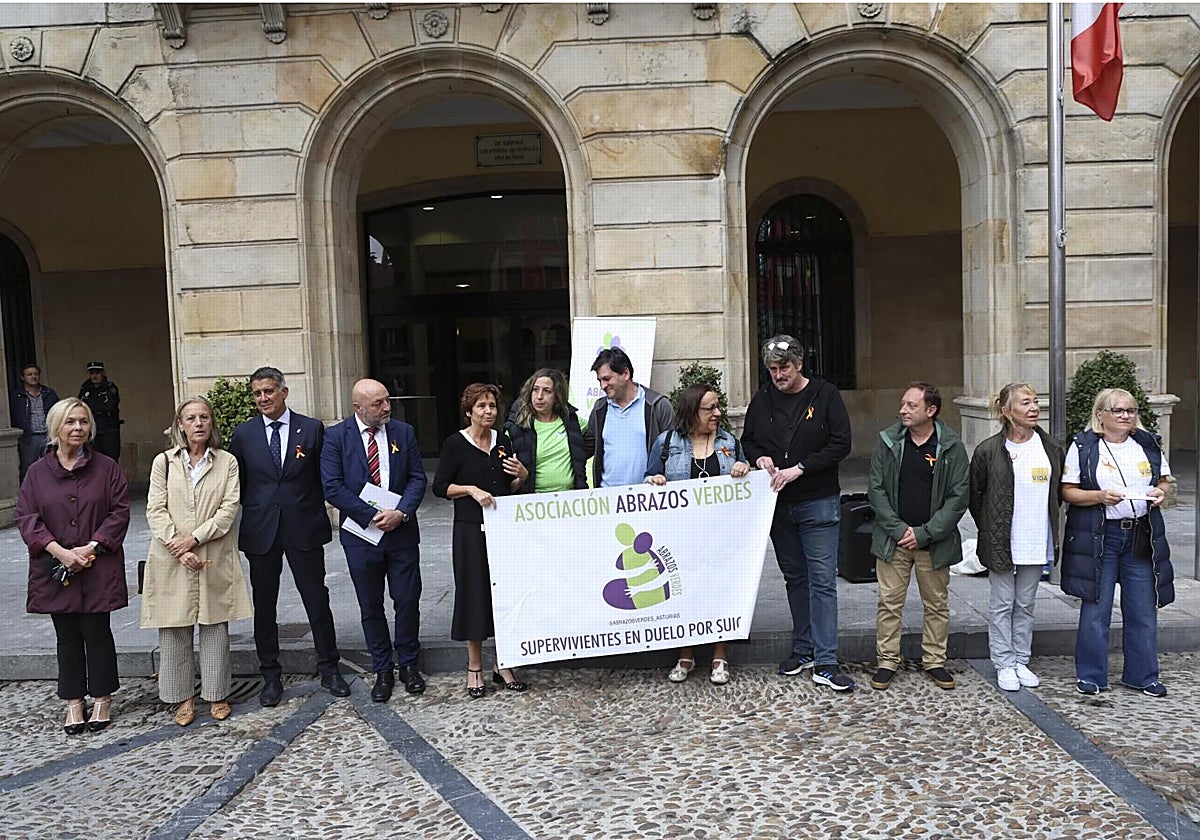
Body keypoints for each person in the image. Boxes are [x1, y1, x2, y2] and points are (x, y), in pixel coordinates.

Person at [228, 366, 349, 706]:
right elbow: (239, 486)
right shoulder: (244, 434)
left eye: (268, 391)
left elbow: (323, 478)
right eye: (257, 394)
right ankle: (270, 676)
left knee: (317, 600)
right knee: (264, 607)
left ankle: (330, 668)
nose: (263, 398)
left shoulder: (311, 429)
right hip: (262, 530)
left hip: (303, 527)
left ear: (284, 391)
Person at [741, 335, 854, 691]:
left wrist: (802, 467)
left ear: (799, 364)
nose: (778, 375)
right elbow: (749, 440)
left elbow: (841, 442)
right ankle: (803, 648)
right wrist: (758, 457)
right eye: (772, 369)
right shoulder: (763, 399)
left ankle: (826, 659)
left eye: (784, 367)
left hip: (817, 500)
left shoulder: (825, 395)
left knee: (822, 581)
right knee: (795, 578)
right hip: (778, 505)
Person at [16, 397, 130, 734]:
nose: (77, 428)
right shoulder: (37, 473)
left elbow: (119, 511)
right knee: (66, 636)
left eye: (83, 422)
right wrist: (60, 553)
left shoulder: (107, 467)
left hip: (97, 564)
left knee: (97, 632)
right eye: (70, 422)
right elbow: (26, 516)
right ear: (56, 427)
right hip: (55, 568)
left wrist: (90, 548)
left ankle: (102, 698)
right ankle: (73, 702)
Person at [140, 397, 250, 726]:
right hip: (171, 555)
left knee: (215, 627)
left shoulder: (227, 462)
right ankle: (182, 698)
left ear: (212, 423)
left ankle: (217, 695)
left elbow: (229, 509)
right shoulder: (164, 462)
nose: (198, 423)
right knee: (174, 627)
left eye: (204, 417)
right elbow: (154, 508)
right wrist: (179, 546)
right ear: (180, 425)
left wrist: (196, 539)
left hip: (212, 551)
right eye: (191, 418)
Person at [1062, 388, 1174, 698]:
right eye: (1118, 410)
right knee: (1096, 609)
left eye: (1131, 410)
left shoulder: (1147, 444)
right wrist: (1098, 497)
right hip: (1102, 536)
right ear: (1100, 415)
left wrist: (1161, 492)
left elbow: (1163, 480)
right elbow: (1068, 491)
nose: (1126, 415)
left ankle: (1143, 676)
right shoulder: (1084, 446)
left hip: (1141, 534)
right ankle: (1091, 676)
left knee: (1143, 609)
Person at [322, 379, 427, 701]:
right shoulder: (336, 437)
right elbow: (333, 486)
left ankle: (409, 664)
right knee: (371, 605)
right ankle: (383, 668)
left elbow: (417, 477)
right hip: (361, 536)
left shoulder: (402, 432)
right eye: (377, 403)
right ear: (358, 408)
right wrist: (370, 516)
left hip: (402, 532)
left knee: (407, 600)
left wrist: (401, 512)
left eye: (387, 401)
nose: (386, 407)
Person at [867, 382, 969, 691]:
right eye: (903, 404)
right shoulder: (888, 442)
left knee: (936, 604)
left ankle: (935, 660)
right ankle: (887, 661)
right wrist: (899, 530)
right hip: (893, 540)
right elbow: (876, 490)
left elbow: (958, 497)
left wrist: (925, 533)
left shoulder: (951, 446)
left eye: (911, 405)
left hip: (933, 543)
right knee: (889, 603)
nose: (903, 410)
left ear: (931, 410)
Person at [646, 384, 750, 685]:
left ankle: (720, 654)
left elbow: (744, 476)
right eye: (710, 409)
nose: (717, 414)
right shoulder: (667, 443)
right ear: (692, 412)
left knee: (719, 590)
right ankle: (686, 653)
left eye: (718, 407)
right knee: (684, 591)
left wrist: (744, 467)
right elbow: (648, 477)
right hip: (681, 535)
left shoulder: (729, 441)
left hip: (721, 534)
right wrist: (654, 479)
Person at [433, 383, 529, 698]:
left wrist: (522, 476)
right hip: (470, 529)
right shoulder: (454, 444)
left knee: (504, 594)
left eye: (492, 406)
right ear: (469, 410)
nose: (488, 412)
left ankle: (504, 664)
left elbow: (507, 486)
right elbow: (440, 486)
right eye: (482, 406)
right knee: (474, 593)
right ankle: (474, 666)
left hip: (501, 530)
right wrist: (470, 490)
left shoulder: (503, 441)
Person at [969, 383, 1064, 692]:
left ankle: (1021, 659)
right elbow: (976, 496)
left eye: (1036, 401)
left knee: (1025, 603)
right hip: (1001, 538)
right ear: (1006, 411)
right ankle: (1003, 662)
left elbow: (1058, 493)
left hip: (1037, 537)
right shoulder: (988, 450)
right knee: (1001, 604)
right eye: (1025, 403)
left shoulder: (1050, 447)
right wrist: (989, 529)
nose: (1034, 407)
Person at [583, 347, 673, 487]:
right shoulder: (599, 409)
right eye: (599, 380)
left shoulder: (658, 405)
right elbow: (587, 447)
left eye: (607, 379)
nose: (602, 386)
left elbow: (674, 450)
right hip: (608, 498)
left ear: (625, 374)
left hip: (648, 497)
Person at [504, 368, 587, 494]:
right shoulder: (516, 428)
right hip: (532, 503)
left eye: (547, 391)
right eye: (535, 390)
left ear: (557, 396)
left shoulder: (573, 422)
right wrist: (520, 475)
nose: (539, 396)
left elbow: (594, 443)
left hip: (570, 501)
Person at [11, 363, 60, 483]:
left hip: (48, 436)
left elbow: (59, 411)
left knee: (52, 467)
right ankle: (28, 497)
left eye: (36, 374)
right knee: (28, 468)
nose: (33, 377)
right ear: (23, 377)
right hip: (28, 438)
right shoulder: (16, 395)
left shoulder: (49, 393)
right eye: (29, 374)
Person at [78, 361, 121, 461]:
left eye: (97, 373)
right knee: (93, 459)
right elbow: (80, 406)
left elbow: (108, 406)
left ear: (103, 373)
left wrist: (91, 407)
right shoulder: (86, 388)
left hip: (109, 429)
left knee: (111, 459)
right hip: (92, 430)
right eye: (92, 373)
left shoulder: (110, 388)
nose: (94, 376)